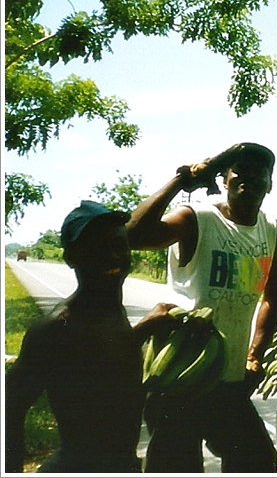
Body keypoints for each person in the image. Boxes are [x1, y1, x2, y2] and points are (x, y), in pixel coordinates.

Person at [126, 142, 277, 473]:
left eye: (261, 172)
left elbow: (273, 295)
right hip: (178, 377)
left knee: (256, 460)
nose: (251, 176)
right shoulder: (197, 219)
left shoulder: (271, 230)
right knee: (177, 467)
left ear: (270, 184)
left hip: (228, 380)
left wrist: (254, 356)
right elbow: (133, 235)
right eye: (240, 169)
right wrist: (181, 181)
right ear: (225, 179)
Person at [4, 200, 177, 473]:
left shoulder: (109, 307)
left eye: (119, 245)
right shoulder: (56, 328)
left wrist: (145, 327)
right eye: (94, 248)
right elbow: (9, 408)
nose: (111, 256)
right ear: (70, 257)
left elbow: (98, 361)